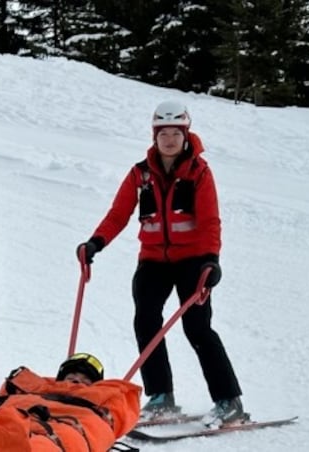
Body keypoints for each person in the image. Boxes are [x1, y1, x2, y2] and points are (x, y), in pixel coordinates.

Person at [76, 101, 245, 428]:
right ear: (154, 136)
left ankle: (229, 401)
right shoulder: (140, 174)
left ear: (186, 134)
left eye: (175, 133)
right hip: (153, 260)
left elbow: (211, 221)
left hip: (193, 262)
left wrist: (212, 260)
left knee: (197, 328)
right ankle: (161, 397)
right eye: (163, 133)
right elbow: (118, 214)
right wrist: (95, 242)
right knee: (146, 322)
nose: (169, 139)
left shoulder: (199, 173)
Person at [0, 353, 141, 452]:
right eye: (72, 376)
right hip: (8, 418)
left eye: (86, 380)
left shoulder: (102, 402)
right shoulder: (30, 388)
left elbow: (122, 411)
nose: (77, 381)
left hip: (54, 432)